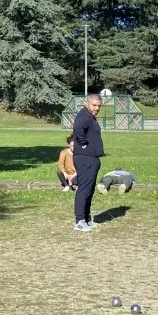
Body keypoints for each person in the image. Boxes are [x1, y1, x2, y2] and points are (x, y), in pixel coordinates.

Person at [71, 94, 104, 231]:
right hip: (85, 158)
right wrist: (84, 144)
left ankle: (86, 219)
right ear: (87, 103)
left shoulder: (90, 116)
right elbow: (78, 129)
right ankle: (79, 221)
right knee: (84, 189)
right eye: (94, 105)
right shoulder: (84, 116)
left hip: (91, 158)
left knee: (89, 189)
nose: (96, 108)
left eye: (99, 106)